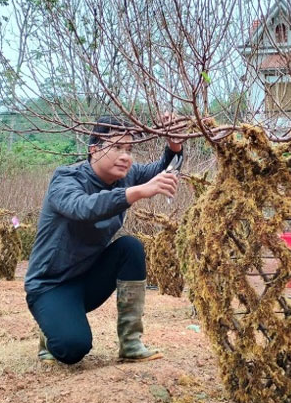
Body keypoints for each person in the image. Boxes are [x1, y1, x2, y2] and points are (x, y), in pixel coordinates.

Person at [24, 115, 182, 364]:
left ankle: (131, 343)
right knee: (73, 349)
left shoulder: (125, 177)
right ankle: (50, 328)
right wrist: (136, 192)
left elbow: (161, 169)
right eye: (116, 147)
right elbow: (82, 208)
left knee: (130, 247)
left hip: (88, 279)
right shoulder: (66, 179)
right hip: (50, 284)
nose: (125, 156)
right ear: (94, 149)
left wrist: (174, 146)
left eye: (129, 149)